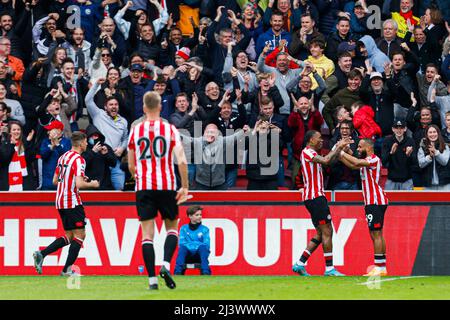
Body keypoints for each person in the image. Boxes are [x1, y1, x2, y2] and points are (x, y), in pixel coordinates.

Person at [127, 91, 190, 290]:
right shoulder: (169, 129)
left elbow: (130, 164)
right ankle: (165, 264)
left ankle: (152, 281)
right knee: (172, 228)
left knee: (147, 235)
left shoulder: (136, 130)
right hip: (166, 185)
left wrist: (139, 175)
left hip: (144, 186)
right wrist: (185, 186)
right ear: (160, 107)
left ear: (144, 108)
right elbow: (181, 160)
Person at [32, 132, 100, 276]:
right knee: (80, 235)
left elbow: (55, 181)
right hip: (72, 201)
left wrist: (75, 179)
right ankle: (66, 270)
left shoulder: (63, 157)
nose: (87, 144)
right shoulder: (79, 160)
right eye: (86, 142)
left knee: (69, 236)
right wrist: (93, 184)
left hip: (60, 201)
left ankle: (42, 254)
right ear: (81, 143)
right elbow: (79, 184)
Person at [292, 130, 349, 276]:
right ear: (311, 140)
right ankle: (329, 269)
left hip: (315, 197)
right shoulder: (307, 152)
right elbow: (326, 161)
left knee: (320, 233)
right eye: (319, 138)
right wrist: (337, 147)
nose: (322, 140)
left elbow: (329, 160)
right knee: (327, 232)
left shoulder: (312, 154)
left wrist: (340, 149)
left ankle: (299, 264)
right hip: (315, 197)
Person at [339, 138, 389, 277]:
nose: (358, 149)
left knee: (376, 233)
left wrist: (341, 152)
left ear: (368, 147)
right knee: (375, 233)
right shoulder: (366, 161)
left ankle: (379, 267)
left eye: (360, 147)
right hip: (371, 201)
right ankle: (382, 266)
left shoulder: (373, 159)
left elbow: (355, 161)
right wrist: (340, 153)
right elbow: (353, 165)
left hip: (376, 201)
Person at [174, 205, 211, 276]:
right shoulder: (183, 228)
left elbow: (206, 245)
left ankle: (206, 273)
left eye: (200, 214)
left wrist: (191, 244)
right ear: (190, 216)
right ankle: (177, 273)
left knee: (203, 248)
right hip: (187, 256)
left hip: (199, 256)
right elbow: (181, 243)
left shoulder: (205, 229)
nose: (200, 216)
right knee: (182, 248)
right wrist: (197, 244)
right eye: (197, 215)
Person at [381, 119, 415, 190]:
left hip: (407, 180)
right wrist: (391, 153)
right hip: (391, 180)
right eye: (396, 128)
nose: (399, 130)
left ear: (405, 129)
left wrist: (409, 155)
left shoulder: (410, 141)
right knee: (389, 200)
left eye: (401, 128)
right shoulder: (387, 141)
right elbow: (384, 161)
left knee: (408, 201)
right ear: (393, 129)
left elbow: (415, 162)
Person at [417, 124, 450, 190]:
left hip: (444, 183)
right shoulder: (422, 147)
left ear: (438, 133)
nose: (432, 134)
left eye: (434, 132)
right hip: (428, 184)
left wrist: (436, 152)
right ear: (427, 134)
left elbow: (444, 162)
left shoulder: (445, 146)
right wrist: (429, 157)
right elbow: (421, 164)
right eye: (430, 132)